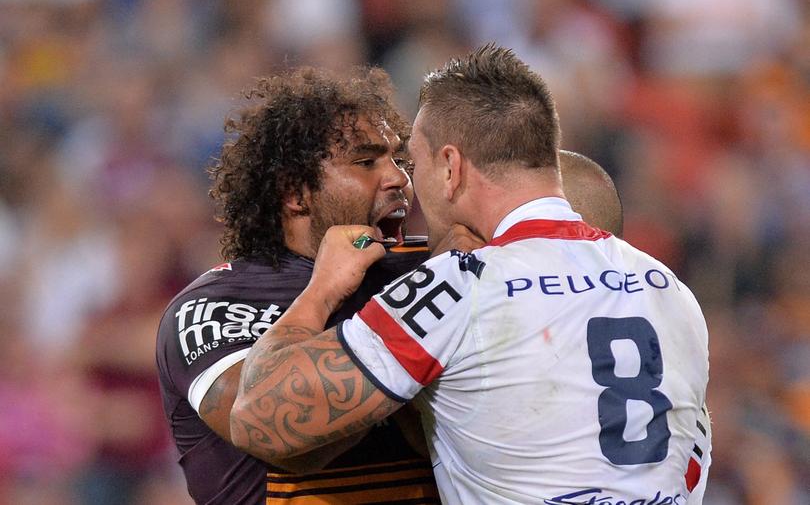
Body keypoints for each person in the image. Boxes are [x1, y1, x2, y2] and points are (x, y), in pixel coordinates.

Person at [230, 45, 711, 504]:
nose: (405, 183)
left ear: (450, 168)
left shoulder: (462, 285)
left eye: (413, 164)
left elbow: (258, 415)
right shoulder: (670, 290)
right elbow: (689, 460)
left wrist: (322, 291)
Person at [156, 66, 441, 504]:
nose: (399, 180)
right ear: (296, 193)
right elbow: (273, 430)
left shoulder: (432, 271)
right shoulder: (213, 305)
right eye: (366, 162)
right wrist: (325, 293)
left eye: (400, 161)